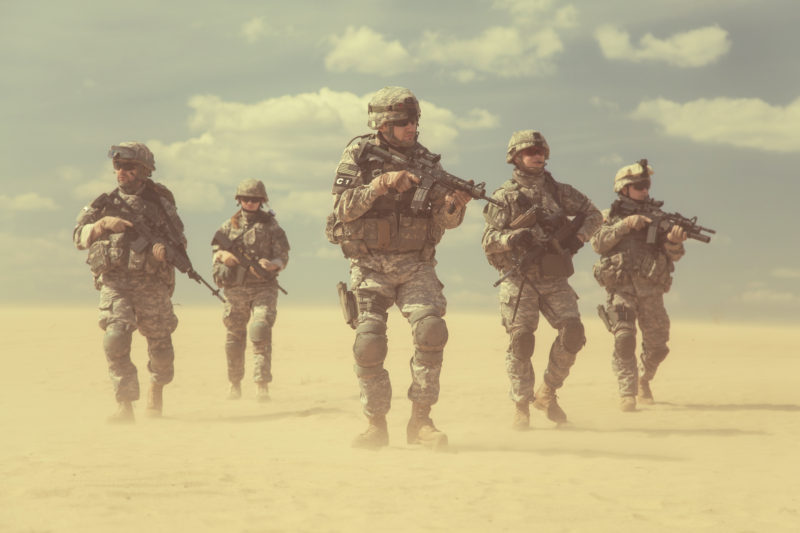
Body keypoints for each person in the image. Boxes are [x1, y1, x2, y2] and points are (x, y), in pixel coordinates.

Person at [325, 86, 472, 449]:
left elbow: (446, 222)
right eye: (403, 122)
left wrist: (455, 205)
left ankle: (421, 422)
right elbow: (343, 209)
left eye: (414, 121)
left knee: (432, 331)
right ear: (382, 124)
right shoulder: (359, 153)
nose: (411, 127)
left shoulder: (428, 162)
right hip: (370, 265)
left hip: (415, 265)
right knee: (370, 343)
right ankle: (376, 424)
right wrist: (380, 184)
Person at [482, 130, 602, 430]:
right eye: (528, 151)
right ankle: (521, 405)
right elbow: (488, 241)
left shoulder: (561, 192)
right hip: (520, 279)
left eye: (539, 150)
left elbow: (594, 214)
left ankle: (547, 392)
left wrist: (579, 237)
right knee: (522, 341)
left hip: (554, 276)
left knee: (573, 333)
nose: (536, 155)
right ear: (515, 157)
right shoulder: (504, 196)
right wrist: (513, 238)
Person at [73, 142, 185, 422]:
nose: (122, 171)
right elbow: (78, 236)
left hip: (151, 284)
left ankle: (156, 387)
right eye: (118, 166)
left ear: (144, 170)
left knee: (161, 350)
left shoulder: (160, 204)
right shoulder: (102, 204)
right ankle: (125, 405)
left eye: (129, 166)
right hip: (115, 283)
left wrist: (164, 250)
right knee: (115, 339)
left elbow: (179, 243)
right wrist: (100, 225)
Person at [591, 160, 687, 412]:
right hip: (621, 289)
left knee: (658, 347)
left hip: (651, 291)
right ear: (624, 189)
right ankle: (627, 392)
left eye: (647, 185)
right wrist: (625, 225)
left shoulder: (661, 218)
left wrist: (675, 242)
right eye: (638, 186)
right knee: (624, 338)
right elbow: (598, 244)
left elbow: (675, 255)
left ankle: (644, 379)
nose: (645, 190)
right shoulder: (607, 217)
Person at [211, 179, 290, 402]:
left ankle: (261, 385)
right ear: (239, 200)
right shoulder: (229, 226)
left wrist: (273, 265)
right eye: (246, 199)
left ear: (262, 201)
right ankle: (234, 383)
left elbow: (283, 256)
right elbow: (216, 251)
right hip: (235, 289)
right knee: (234, 338)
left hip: (263, 287)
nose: (250, 203)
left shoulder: (272, 227)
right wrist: (223, 256)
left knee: (260, 331)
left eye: (255, 200)